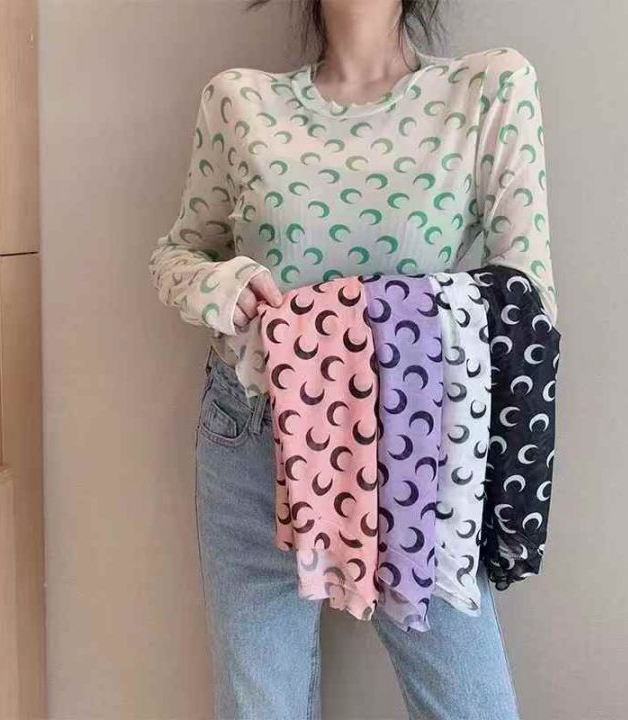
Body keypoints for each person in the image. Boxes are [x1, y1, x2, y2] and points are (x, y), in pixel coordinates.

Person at [148, 1, 556, 717]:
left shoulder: (487, 87)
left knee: (471, 704)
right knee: (258, 705)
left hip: (414, 442)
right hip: (256, 430)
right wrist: (224, 285)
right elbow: (179, 253)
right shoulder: (239, 99)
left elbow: (527, 302)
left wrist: (368, 321)